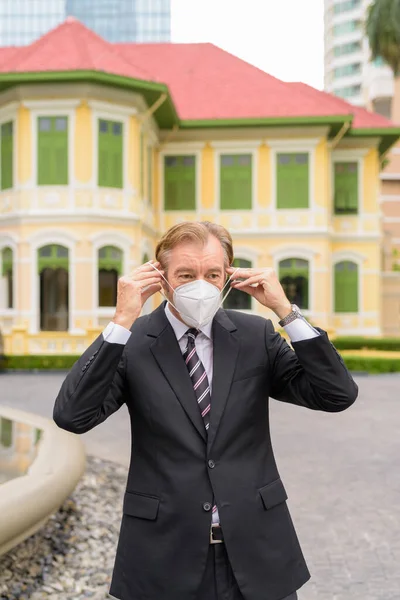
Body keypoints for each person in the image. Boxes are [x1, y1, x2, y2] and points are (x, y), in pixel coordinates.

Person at [53, 221, 358, 600]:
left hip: (256, 553)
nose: (201, 284)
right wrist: (120, 322)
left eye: (212, 273)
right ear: (160, 277)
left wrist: (286, 311)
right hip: (163, 556)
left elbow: (337, 394)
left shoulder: (255, 337)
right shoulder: (132, 344)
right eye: (186, 274)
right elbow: (72, 415)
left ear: (228, 276)